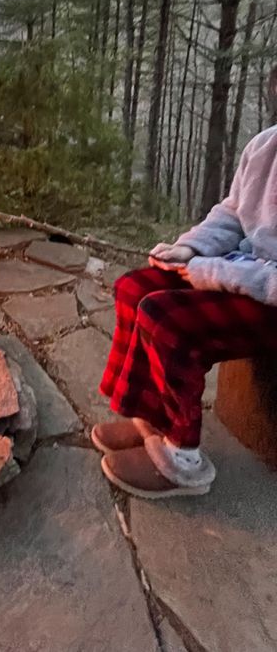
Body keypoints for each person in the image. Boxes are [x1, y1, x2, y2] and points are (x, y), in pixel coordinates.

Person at [94, 124, 277, 498]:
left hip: (269, 294)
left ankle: (182, 459)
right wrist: (190, 248)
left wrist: (212, 271)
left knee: (167, 319)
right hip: (244, 271)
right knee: (135, 289)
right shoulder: (266, 143)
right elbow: (233, 213)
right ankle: (152, 419)